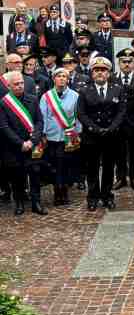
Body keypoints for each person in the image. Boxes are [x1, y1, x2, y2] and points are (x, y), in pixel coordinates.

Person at [77, 57, 126, 211]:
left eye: (103, 70)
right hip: (91, 136)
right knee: (92, 168)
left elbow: (121, 112)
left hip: (111, 136)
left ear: (109, 73)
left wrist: (112, 128)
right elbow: (81, 113)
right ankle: (92, 197)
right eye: (96, 70)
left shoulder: (117, 89)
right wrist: (95, 128)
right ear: (92, 73)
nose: (100, 73)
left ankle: (106, 195)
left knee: (108, 167)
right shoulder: (85, 91)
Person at [0, 71, 45, 216]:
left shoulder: (33, 99)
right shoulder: (3, 103)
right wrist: (21, 143)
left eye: (21, 83)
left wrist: (32, 141)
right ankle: (19, 203)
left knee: (35, 175)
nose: (20, 86)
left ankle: (36, 203)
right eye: (16, 84)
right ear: (9, 86)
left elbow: (39, 121)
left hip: (32, 145)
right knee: (16, 177)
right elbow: (4, 127)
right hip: (14, 147)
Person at [40, 68, 81, 208]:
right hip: (52, 137)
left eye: (65, 76)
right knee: (54, 165)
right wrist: (43, 134)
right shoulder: (46, 96)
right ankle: (57, 191)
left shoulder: (75, 95)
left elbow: (78, 116)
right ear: (54, 78)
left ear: (68, 79)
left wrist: (78, 133)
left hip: (68, 137)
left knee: (67, 165)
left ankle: (65, 190)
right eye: (59, 76)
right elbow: (42, 117)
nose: (62, 78)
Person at [113, 48, 134, 191]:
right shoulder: (112, 79)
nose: (127, 64)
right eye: (123, 62)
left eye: (129, 61)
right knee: (119, 152)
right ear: (119, 63)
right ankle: (120, 177)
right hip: (118, 124)